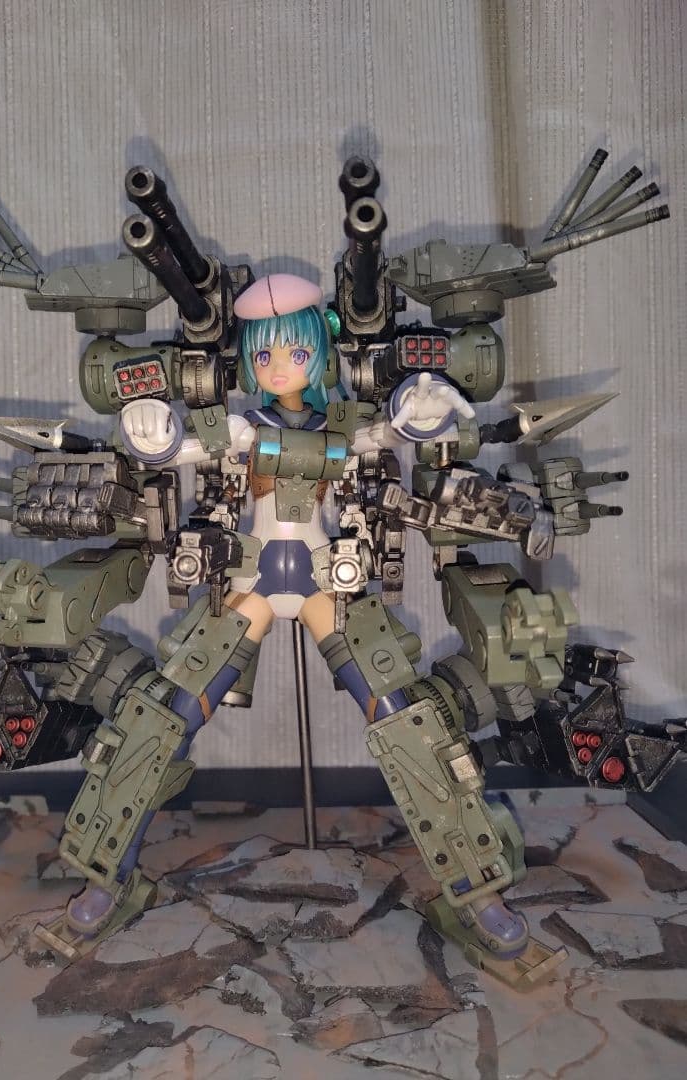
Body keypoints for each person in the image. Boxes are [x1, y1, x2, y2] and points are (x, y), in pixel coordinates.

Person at [66, 273, 529, 966]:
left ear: (320, 352)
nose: (279, 366)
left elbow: (393, 430)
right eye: (264, 354)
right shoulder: (244, 427)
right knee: (159, 719)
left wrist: (422, 410)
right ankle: (107, 875)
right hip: (251, 586)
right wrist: (148, 429)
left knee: (408, 720)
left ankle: (477, 889)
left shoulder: (341, 427)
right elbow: (175, 448)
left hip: (323, 584)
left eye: (294, 351)